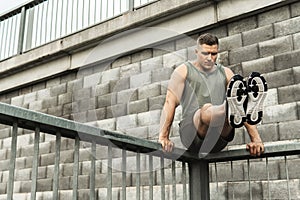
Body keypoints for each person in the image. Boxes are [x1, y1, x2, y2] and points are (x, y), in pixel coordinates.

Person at [158, 33, 268, 157]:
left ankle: (229, 107)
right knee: (206, 109)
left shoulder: (226, 73)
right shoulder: (183, 71)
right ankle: (227, 107)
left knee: (231, 114)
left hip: (218, 138)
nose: (210, 58)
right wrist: (163, 137)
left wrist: (256, 140)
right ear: (196, 52)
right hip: (192, 136)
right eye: (205, 53)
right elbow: (169, 103)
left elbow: (243, 112)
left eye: (214, 54)